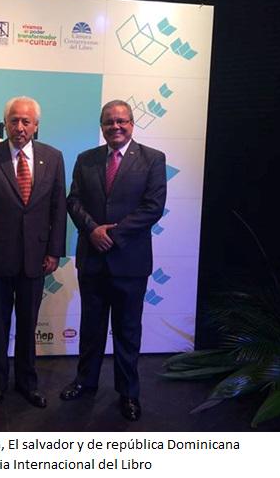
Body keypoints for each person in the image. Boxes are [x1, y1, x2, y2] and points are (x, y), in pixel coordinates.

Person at [61, 99, 167, 421]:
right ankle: (85, 381)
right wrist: (93, 230)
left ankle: (129, 393)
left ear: (132, 124)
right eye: (109, 122)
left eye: (121, 121)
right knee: (91, 328)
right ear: (102, 126)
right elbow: (73, 200)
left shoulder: (152, 159)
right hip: (92, 260)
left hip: (130, 263)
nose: (115, 126)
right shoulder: (86, 159)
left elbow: (153, 207)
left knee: (127, 331)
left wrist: (114, 234)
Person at [0, 96, 67, 408]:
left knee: (28, 325)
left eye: (26, 121)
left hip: (36, 258)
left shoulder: (53, 157)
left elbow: (58, 209)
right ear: (5, 124)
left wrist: (55, 251)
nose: (20, 127)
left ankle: (27, 383)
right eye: (14, 120)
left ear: (36, 125)